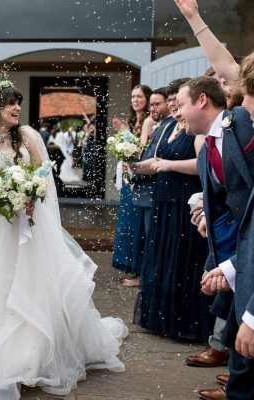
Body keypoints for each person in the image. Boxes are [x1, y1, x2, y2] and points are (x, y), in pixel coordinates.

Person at [0, 82, 127, 400]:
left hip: (24, 226)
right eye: (10, 104)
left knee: (29, 286)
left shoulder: (27, 136)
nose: (16, 109)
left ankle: (31, 357)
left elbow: (42, 176)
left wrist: (32, 196)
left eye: (18, 104)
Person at [176, 74, 254, 400]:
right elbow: (224, 197)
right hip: (238, 248)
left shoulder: (239, 125)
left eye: (180, 105)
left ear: (202, 100)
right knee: (237, 325)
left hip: (248, 248)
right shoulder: (207, 152)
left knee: (243, 323)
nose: (176, 113)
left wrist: (194, 19)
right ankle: (239, 385)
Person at [133, 82, 211, 342]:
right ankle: (160, 319)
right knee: (162, 257)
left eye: (179, 102)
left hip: (182, 202)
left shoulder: (196, 130)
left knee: (182, 260)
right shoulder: (169, 126)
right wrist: (133, 166)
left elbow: (202, 165)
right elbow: (155, 161)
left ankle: (184, 323)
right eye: (173, 102)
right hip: (163, 200)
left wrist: (170, 165)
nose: (176, 107)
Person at [123, 86, 173, 288]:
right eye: (151, 104)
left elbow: (155, 157)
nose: (152, 108)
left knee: (154, 237)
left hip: (155, 190)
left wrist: (136, 170)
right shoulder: (160, 125)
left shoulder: (161, 125)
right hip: (144, 185)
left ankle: (151, 279)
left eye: (156, 103)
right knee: (149, 235)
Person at [111, 84, 151, 277]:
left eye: (139, 97)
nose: (135, 100)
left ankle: (138, 268)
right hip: (128, 177)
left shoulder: (149, 122)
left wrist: (125, 135)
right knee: (127, 221)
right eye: (133, 97)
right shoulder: (132, 121)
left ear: (148, 99)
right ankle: (129, 264)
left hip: (140, 176)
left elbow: (141, 151)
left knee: (137, 222)